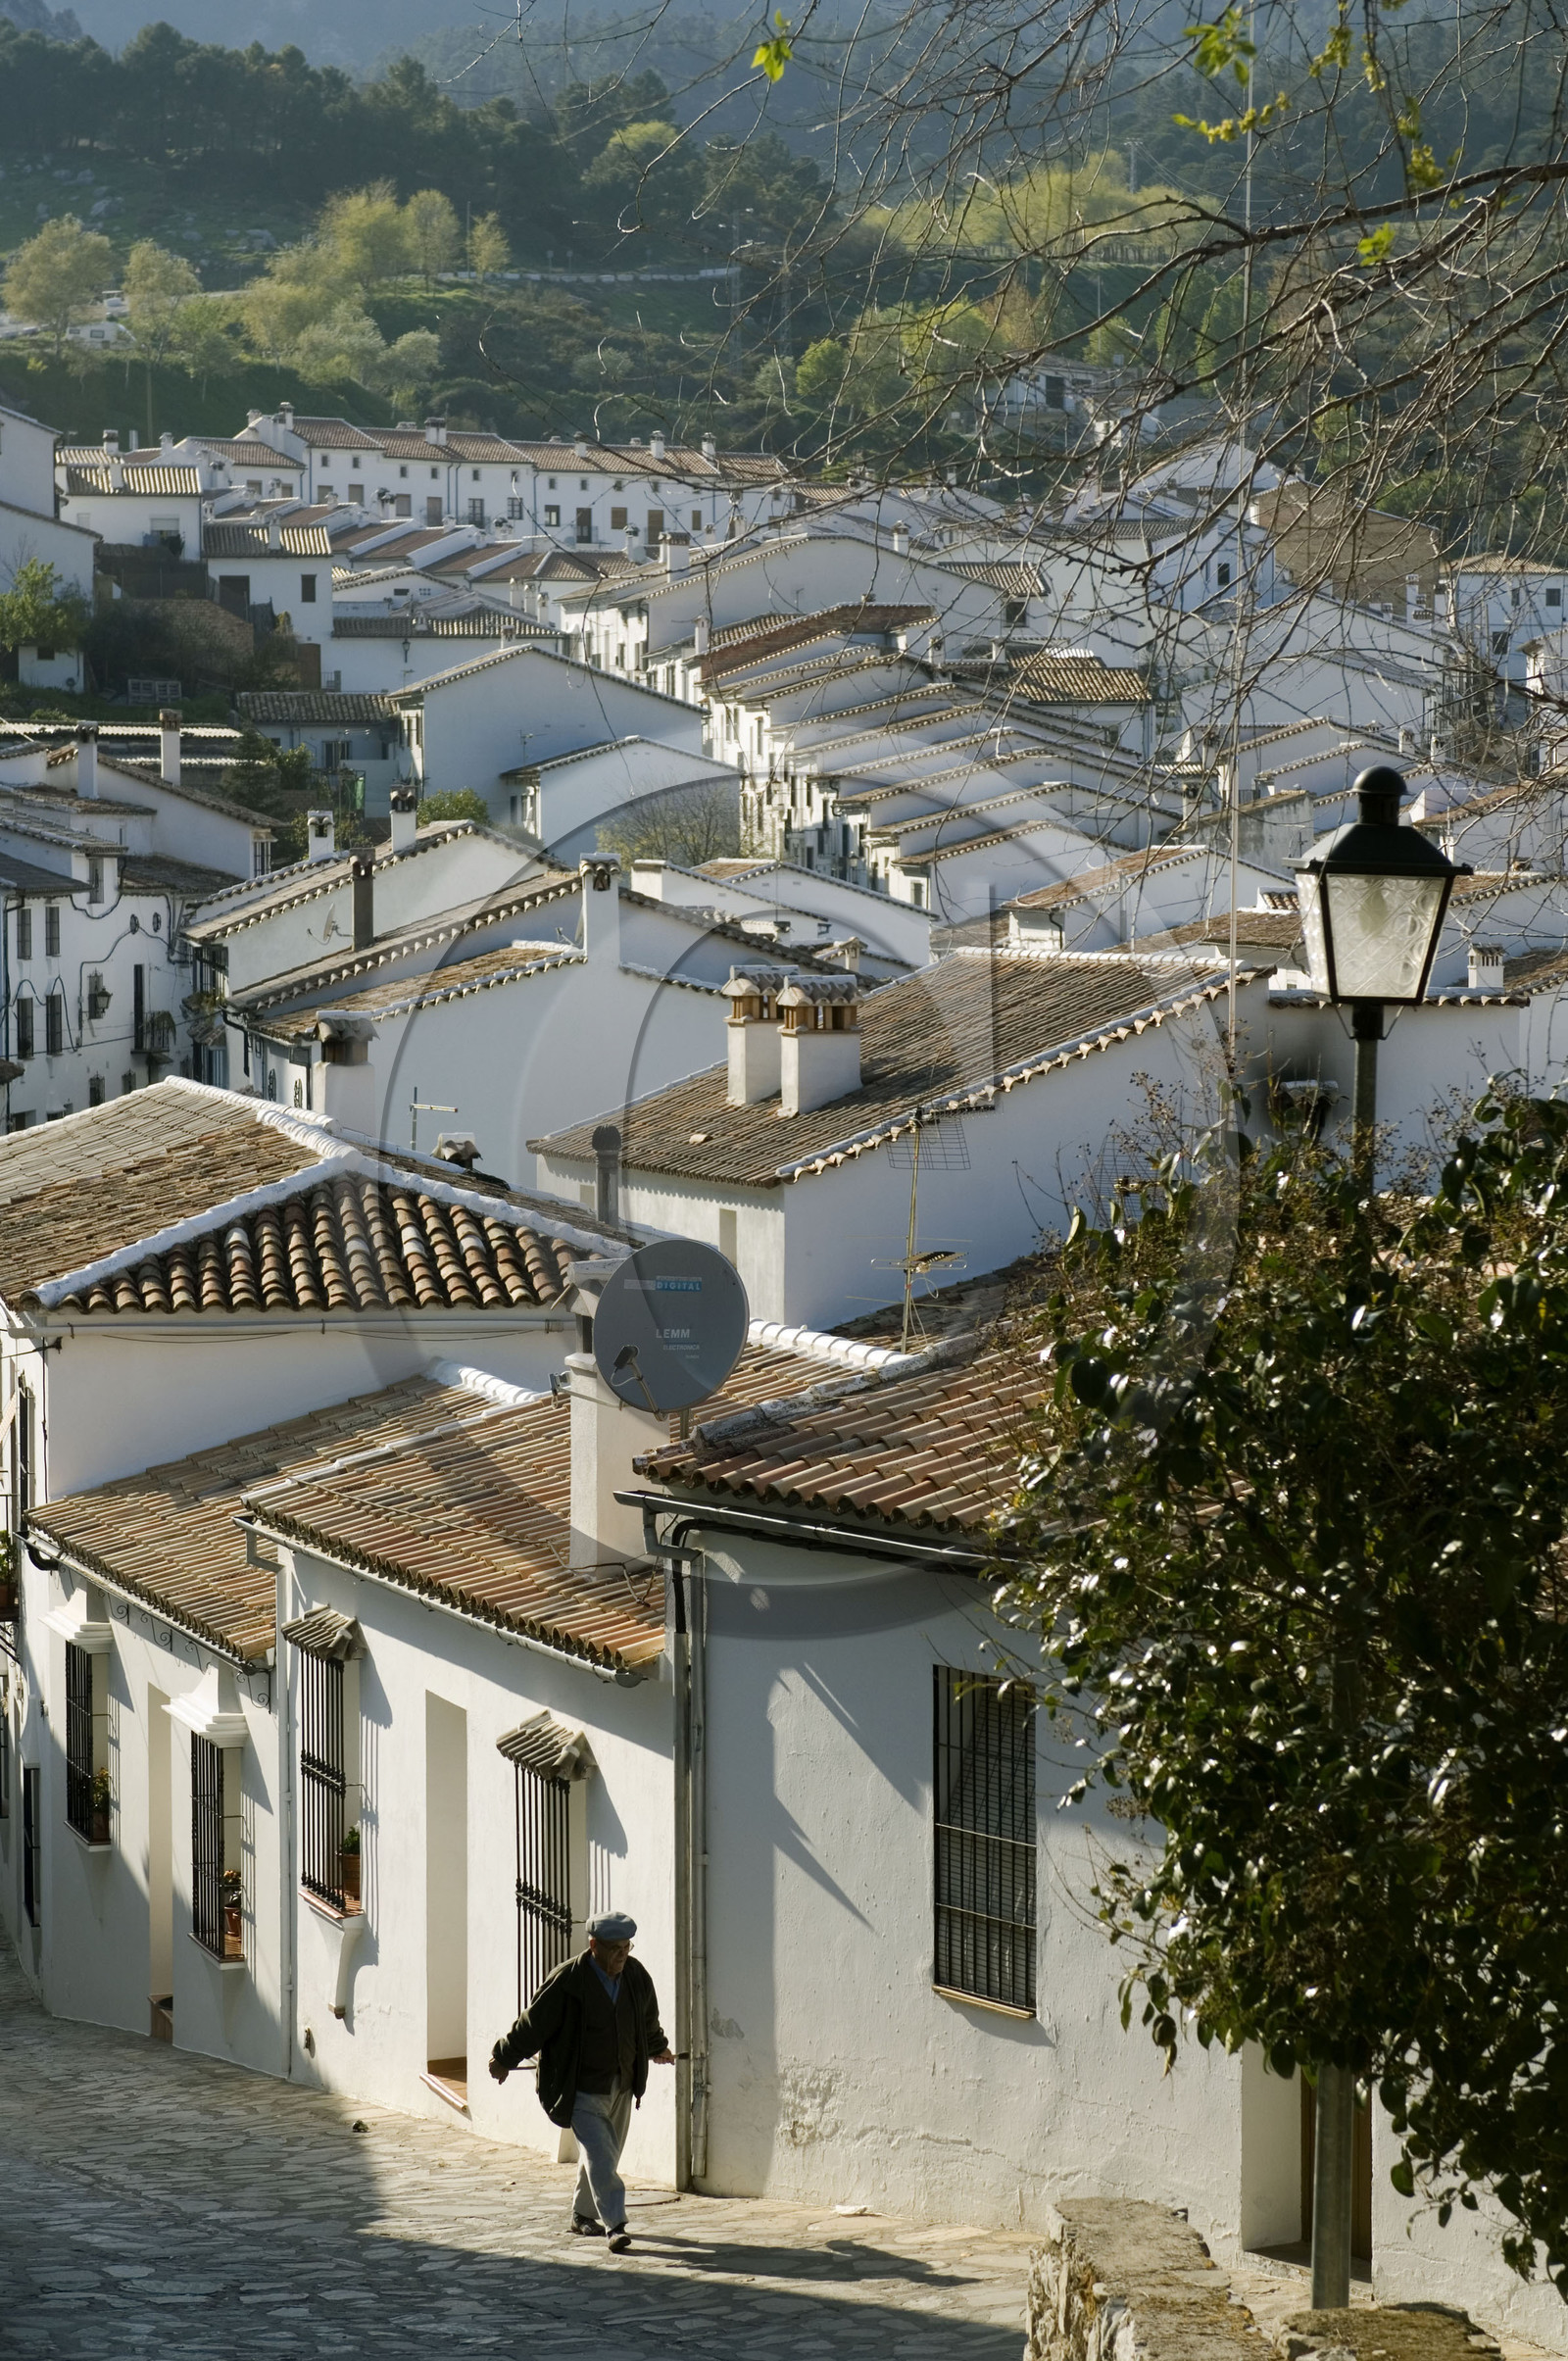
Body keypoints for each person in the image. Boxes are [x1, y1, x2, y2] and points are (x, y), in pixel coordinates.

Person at [489, 1910, 674, 2253]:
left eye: (627, 1947)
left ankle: (581, 2214)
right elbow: (534, 2023)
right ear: (594, 1946)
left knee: (605, 2155)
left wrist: (657, 2047)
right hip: (581, 2085)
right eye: (615, 1948)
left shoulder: (635, 1975)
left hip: (622, 2082)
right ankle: (616, 2225)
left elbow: (647, 2020)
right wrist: (504, 2057)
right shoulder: (568, 1980)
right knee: (602, 2155)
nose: (623, 1955)